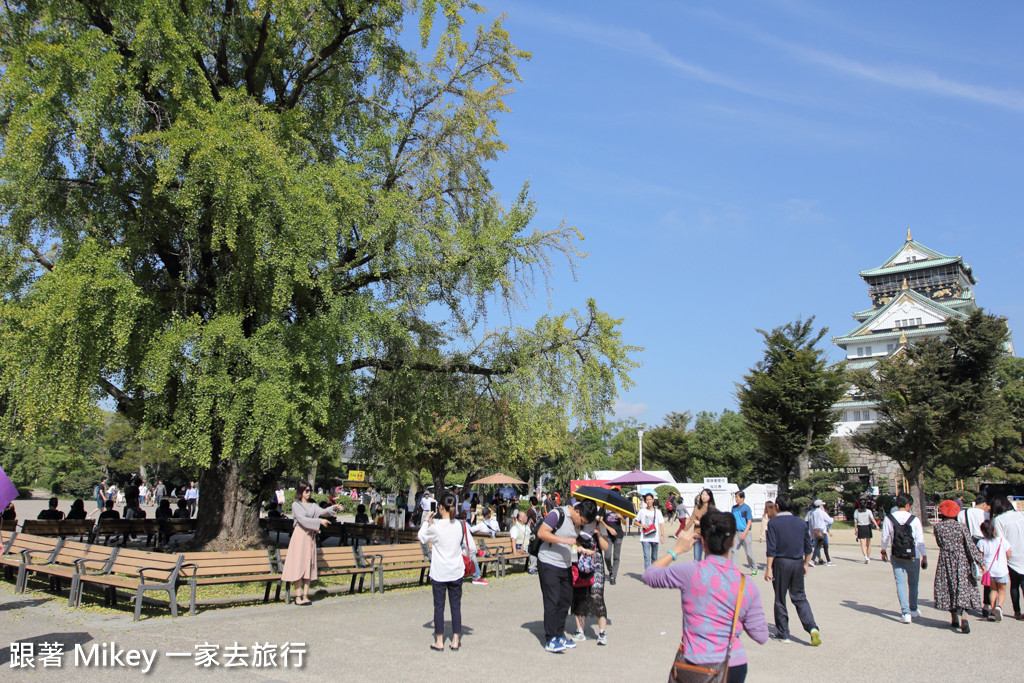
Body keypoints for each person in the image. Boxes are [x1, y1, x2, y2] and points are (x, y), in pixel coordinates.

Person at [644, 511, 769, 682]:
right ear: (732, 541)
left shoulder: (691, 572)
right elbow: (761, 636)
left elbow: (650, 575)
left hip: (694, 662)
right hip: (733, 664)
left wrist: (676, 550)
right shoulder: (746, 584)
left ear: (703, 541)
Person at [535, 498, 598, 653]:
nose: (581, 524)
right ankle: (550, 638)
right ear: (577, 511)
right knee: (553, 600)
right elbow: (542, 533)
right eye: (582, 520)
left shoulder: (577, 522)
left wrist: (581, 548)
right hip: (548, 562)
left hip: (566, 564)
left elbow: (573, 540)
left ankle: (559, 634)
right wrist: (564, 541)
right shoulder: (557, 514)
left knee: (565, 600)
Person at [418, 490, 475, 651]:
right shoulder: (460, 525)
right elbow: (472, 549)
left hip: (439, 571)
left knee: (439, 606)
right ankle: (456, 640)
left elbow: (421, 537)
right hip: (456, 570)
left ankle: (439, 640)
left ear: (440, 508)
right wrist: (462, 556)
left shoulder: (435, 527)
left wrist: (426, 520)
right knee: (456, 606)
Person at [765, 494, 820, 646]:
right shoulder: (800, 523)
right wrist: (806, 564)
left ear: (777, 506)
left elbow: (771, 548)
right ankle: (812, 627)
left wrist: (768, 568)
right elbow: (808, 547)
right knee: (800, 597)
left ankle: (784, 633)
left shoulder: (773, 523)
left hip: (781, 563)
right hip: (797, 562)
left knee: (780, 598)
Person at [280, 481, 342, 605]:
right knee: (298, 564)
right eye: (306, 491)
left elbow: (322, 511)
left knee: (308, 564)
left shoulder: (312, 505)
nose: (308, 493)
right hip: (299, 537)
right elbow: (302, 520)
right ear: (300, 491)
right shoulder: (296, 505)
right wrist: (319, 522)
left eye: (310, 491)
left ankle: (305, 595)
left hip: (309, 537)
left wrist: (334, 507)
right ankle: (297, 596)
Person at [933, 499, 983, 633]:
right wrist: (979, 561)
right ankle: (965, 617)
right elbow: (970, 545)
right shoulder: (961, 526)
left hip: (945, 560)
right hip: (962, 560)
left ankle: (954, 617)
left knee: (948, 587)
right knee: (964, 588)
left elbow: (939, 543)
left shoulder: (938, 527)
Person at [880, 493, 928, 624]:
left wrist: (883, 551)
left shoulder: (889, 518)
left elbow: (885, 537)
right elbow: (920, 540)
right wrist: (924, 555)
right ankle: (914, 609)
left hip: (896, 555)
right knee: (913, 584)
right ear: (907, 505)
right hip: (913, 556)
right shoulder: (914, 519)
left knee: (900, 583)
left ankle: (905, 612)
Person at [570, 520, 611, 646]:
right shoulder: (576, 523)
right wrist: (580, 548)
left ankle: (602, 632)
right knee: (579, 596)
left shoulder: (600, 525)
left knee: (597, 596)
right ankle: (580, 630)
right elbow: (571, 542)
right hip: (578, 563)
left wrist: (598, 534)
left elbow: (605, 547)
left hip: (596, 563)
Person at [991, 495, 1024, 620]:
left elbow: (1001, 539)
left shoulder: (999, 520)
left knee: (1014, 584)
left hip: (1011, 555)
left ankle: (1017, 611)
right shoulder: (1021, 515)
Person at [978, 519, 1011, 622]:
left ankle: (992, 609)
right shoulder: (1003, 541)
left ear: (983, 532)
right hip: (1002, 569)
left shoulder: (981, 542)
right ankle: (999, 606)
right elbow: (1009, 555)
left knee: (993, 590)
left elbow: (980, 557)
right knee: (1002, 590)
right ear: (994, 530)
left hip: (989, 570)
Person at [684, 489, 716, 561]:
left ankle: (705, 572)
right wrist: (684, 530)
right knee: (696, 559)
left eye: (706, 495)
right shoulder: (697, 507)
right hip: (697, 535)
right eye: (703, 494)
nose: (704, 497)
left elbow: (712, 522)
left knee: (707, 559)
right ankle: (698, 572)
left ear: (710, 497)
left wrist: (700, 522)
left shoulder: (712, 508)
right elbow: (692, 519)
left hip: (708, 536)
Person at [731, 491, 757, 575]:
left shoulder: (747, 508)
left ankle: (754, 568)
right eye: (735, 497)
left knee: (748, 552)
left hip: (745, 533)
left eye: (737, 497)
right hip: (736, 532)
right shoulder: (734, 508)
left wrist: (745, 533)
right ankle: (734, 569)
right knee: (733, 550)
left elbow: (749, 522)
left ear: (742, 498)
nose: (736, 499)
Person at [636, 493, 664, 568]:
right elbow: (635, 522)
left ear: (653, 500)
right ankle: (648, 576)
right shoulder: (642, 511)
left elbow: (661, 524)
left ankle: (653, 574)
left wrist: (662, 535)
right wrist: (642, 525)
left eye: (650, 499)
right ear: (645, 501)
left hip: (654, 537)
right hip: (645, 537)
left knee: (654, 557)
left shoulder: (658, 512)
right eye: (647, 500)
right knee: (647, 557)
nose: (648, 501)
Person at [807, 499, 834, 566]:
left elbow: (811, 523)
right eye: (822, 504)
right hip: (822, 531)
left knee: (825, 546)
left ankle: (829, 561)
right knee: (818, 546)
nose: (822, 506)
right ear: (819, 505)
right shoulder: (821, 512)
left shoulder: (812, 513)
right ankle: (812, 560)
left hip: (815, 531)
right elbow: (830, 521)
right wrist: (832, 519)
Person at [602, 508, 624, 585]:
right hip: (607, 534)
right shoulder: (604, 507)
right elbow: (600, 520)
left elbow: (624, 523)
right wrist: (609, 528)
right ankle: (610, 570)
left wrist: (621, 517)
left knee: (616, 556)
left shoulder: (618, 507)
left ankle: (613, 576)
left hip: (618, 534)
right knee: (607, 556)